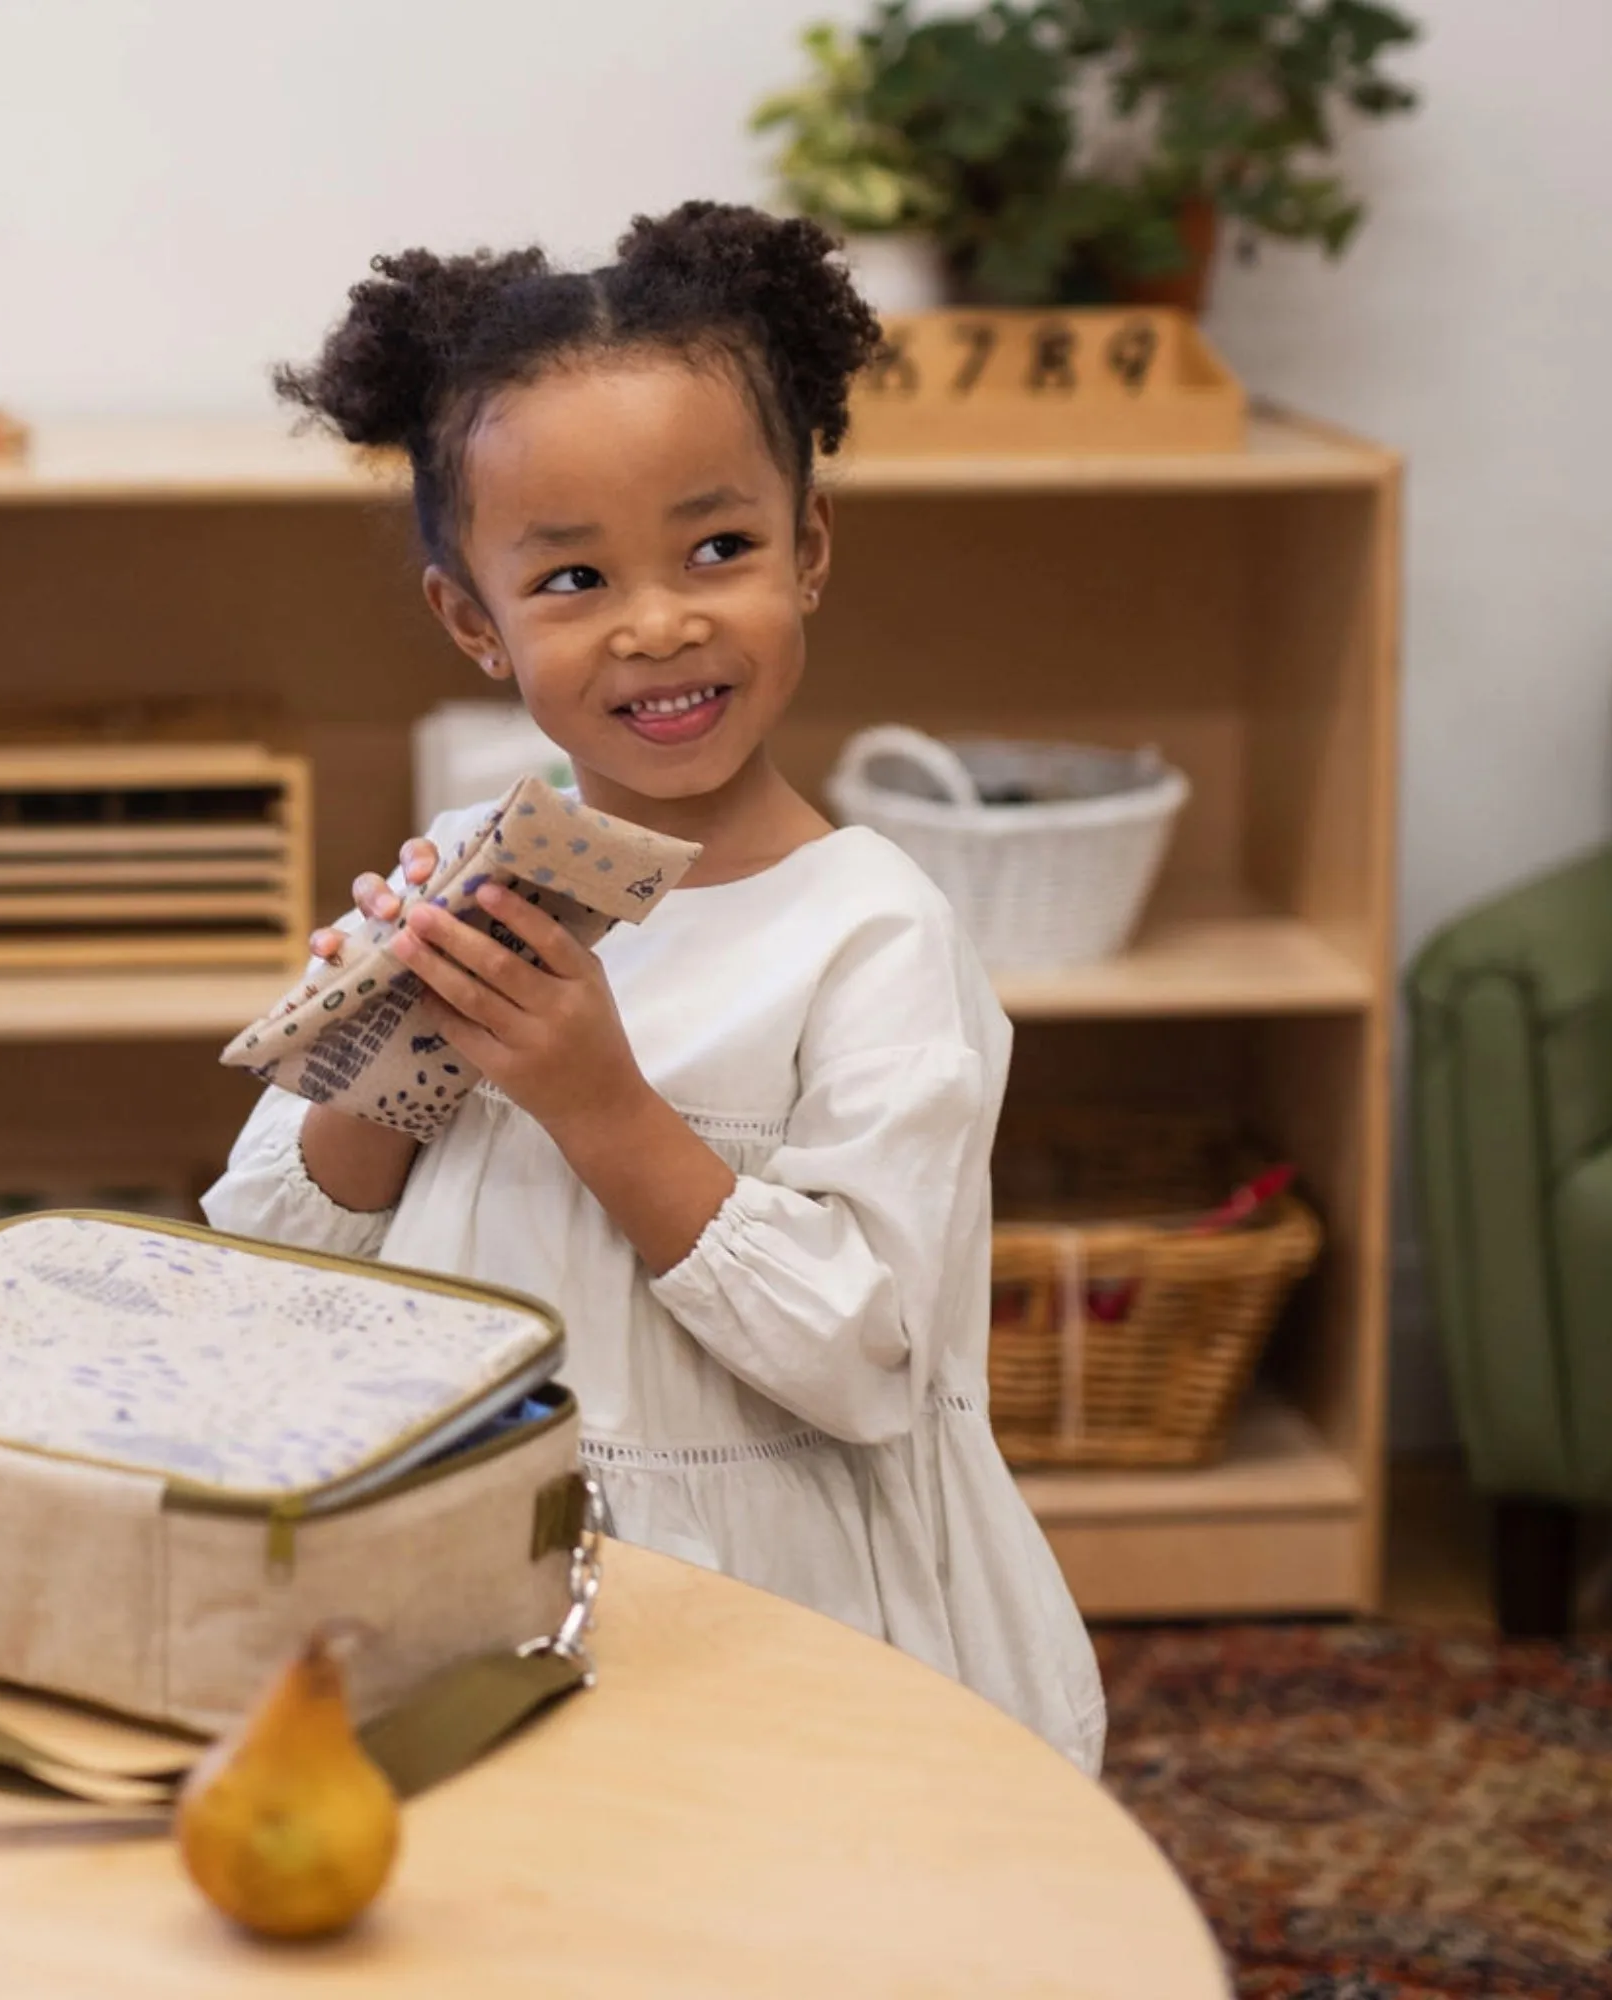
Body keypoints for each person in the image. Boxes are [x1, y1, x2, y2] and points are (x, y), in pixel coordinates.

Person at [204, 201, 1105, 1775]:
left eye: (720, 548)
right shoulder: (464, 868)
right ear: (471, 622)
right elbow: (281, 1239)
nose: (660, 621)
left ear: (808, 549)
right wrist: (396, 1043)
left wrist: (597, 1098)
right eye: (569, 579)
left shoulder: (869, 930)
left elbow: (867, 1353)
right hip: (477, 1556)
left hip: (787, 1611)